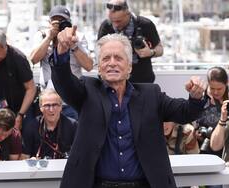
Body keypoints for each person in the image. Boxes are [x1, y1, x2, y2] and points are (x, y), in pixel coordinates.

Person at [51, 29, 206, 188]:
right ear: (99, 67)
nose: (112, 63)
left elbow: (185, 112)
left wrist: (196, 96)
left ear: (129, 67)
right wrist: (62, 50)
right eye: (106, 58)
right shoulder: (87, 91)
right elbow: (64, 82)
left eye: (118, 58)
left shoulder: (151, 95)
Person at [30, 5, 93, 120]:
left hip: (71, 99)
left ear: (69, 22)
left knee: (73, 134)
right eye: (56, 22)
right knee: (48, 135)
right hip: (49, 100)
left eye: (62, 21)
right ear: (49, 23)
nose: (59, 25)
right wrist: (49, 38)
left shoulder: (78, 37)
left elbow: (89, 66)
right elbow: (33, 59)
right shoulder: (43, 35)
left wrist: (73, 45)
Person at [97, 0, 163, 83]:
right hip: (113, 81)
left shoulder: (145, 24)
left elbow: (160, 49)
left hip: (142, 80)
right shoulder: (106, 26)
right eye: (112, 21)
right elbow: (99, 54)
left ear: (128, 14)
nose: (115, 25)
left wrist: (151, 53)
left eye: (118, 21)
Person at [21, 89, 77, 159]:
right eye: (47, 105)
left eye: (55, 105)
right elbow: (24, 157)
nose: (51, 109)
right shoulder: (31, 127)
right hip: (39, 169)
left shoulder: (73, 126)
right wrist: (30, 161)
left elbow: (80, 154)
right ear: (40, 108)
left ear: (61, 107)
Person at [195, 67, 228, 158]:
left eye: (219, 89)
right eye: (212, 88)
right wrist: (195, 132)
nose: (216, 92)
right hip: (204, 145)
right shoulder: (201, 97)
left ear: (227, 83)